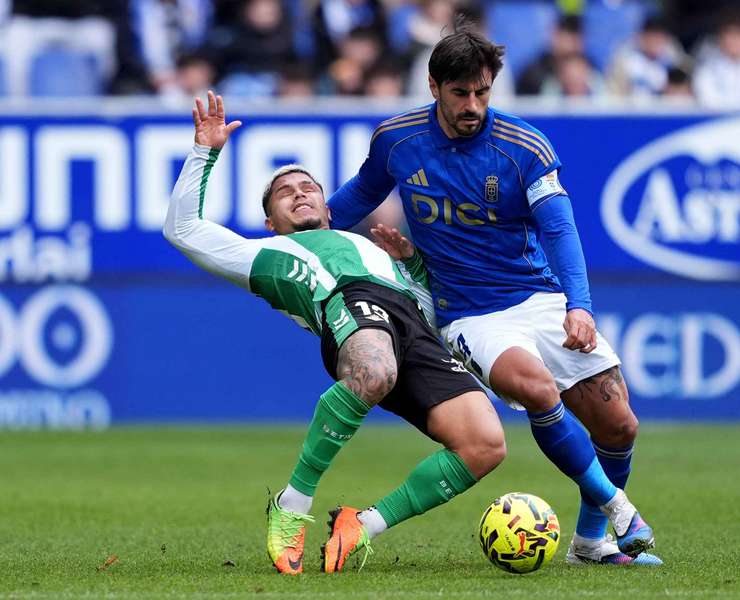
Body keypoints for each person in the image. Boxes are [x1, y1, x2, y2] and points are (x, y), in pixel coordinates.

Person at [327, 23, 660, 566]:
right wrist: (290, 241)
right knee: (533, 386)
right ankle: (621, 509)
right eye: (461, 93)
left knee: (619, 422)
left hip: (538, 297)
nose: (473, 105)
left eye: (482, 92)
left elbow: (560, 228)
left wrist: (579, 304)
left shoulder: (523, 146)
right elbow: (349, 205)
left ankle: (591, 542)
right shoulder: (397, 141)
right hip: (470, 315)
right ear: (434, 86)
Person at [164, 91, 507, 574]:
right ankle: (292, 504)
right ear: (271, 222)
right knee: (373, 370)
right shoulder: (265, 254)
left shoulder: (369, 245)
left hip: (406, 322)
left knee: (485, 444)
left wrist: (413, 267)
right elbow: (182, 229)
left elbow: (427, 314)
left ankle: (361, 526)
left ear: (328, 207)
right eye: (285, 193)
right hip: (347, 304)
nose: (300, 192)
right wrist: (205, 150)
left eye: (308, 187)